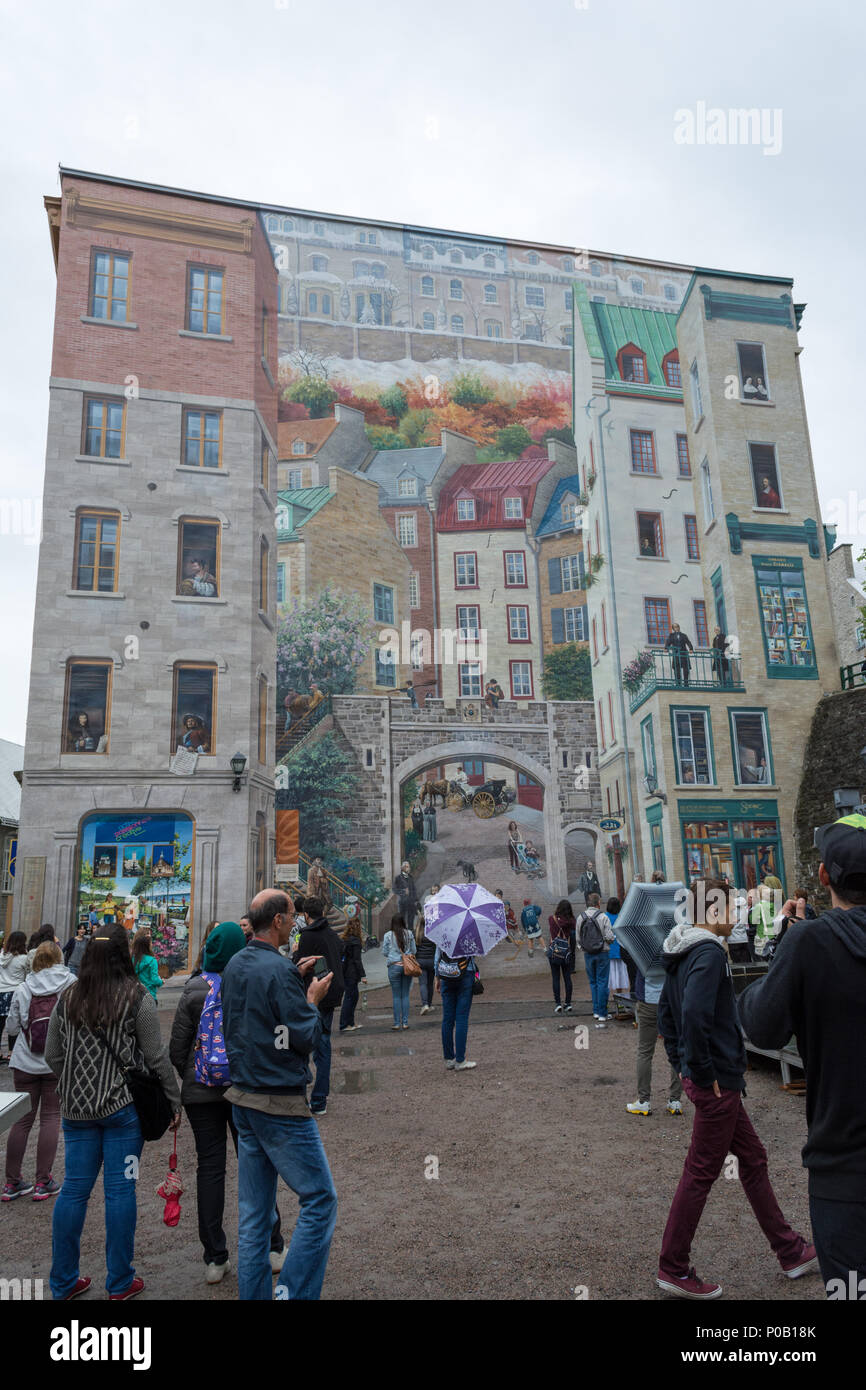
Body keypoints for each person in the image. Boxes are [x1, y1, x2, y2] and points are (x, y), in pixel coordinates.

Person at [655, 877, 816, 1300]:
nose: (736, 916)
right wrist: (705, 1071)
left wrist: (683, 1064)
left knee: (753, 1158)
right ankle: (673, 1266)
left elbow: (665, 1013)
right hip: (719, 1084)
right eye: (730, 909)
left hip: (712, 1080)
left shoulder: (680, 947)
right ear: (714, 912)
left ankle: (791, 1250)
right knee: (701, 1171)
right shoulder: (708, 952)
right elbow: (690, 1014)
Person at [738, 815, 866, 1297]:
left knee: (853, 1292)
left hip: (843, 1164)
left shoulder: (810, 942)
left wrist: (787, 949)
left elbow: (761, 1026)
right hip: (842, 1162)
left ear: (825, 877)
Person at [45, 924, 182, 1301]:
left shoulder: (68, 996)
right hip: (123, 1110)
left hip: (75, 1111)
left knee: (73, 1190)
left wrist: (73, 1081)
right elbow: (156, 1058)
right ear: (125, 954)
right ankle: (120, 1283)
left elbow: (52, 1055)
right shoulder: (137, 997)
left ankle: (63, 1281)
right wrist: (173, 1101)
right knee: (121, 1192)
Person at [221, 889, 336, 1301]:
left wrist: (293, 977)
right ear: (279, 922)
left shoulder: (235, 964)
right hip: (278, 1101)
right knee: (321, 1200)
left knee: (254, 1217)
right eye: (292, 916)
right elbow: (303, 1037)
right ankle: (292, 1292)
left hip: (243, 1096)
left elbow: (257, 1018)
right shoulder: (279, 971)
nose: (297, 922)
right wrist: (310, 998)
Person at [170, 920, 285, 1284]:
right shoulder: (247, 983)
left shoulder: (192, 989)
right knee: (256, 1164)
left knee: (210, 1168)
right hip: (243, 1087)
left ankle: (215, 1258)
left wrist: (196, 1072)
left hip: (200, 1092)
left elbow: (176, 1048)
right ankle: (273, 1244)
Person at [3, 942, 75, 1203]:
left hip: (25, 1059)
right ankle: (43, 1181)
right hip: (56, 1061)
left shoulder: (24, 988)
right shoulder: (70, 983)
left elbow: (12, 1027)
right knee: (51, 1118)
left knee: (21, 1120)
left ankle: (12, 1183)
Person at [292, 897, 345, 1117]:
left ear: (306, 915)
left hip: (314, 994)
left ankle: (304, 1095)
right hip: (331, 992)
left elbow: (300, 965)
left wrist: (296, 951)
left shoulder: (307, 936)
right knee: (323, 1046)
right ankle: (320, 1098)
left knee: (304, 1044)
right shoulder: (332, 935)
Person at [626, 963, 683, 1118]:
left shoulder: (642, 944)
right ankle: (675, 1100)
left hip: (648, 1000)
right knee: (677, 1049)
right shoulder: (673, 941)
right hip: (671, 998)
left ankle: (644, 1101)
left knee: (645, 1051)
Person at [435, 944, 477, 1071]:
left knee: (447, 1018)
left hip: (446, 973)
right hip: (465, 973)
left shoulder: (443, 928)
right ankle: (460, 1060)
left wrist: (437, 976)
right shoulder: (469, 931)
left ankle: (449, 1059)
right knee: (462, 1018)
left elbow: (437, 955)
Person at [576, 894, 615, 1026]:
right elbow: (610, 937)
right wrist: (611, 940)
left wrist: (584, 948)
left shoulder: (580, 917)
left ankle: (596, 1011)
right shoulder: (603, 917)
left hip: (588, 954)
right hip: (602, 952)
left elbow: (578, 939)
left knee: (593, 983)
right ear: (598, 903)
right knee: (602, 982)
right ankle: (603, 1014)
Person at [0, 931, 31, 1061]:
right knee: (14, 1023)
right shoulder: (24, 958)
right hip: (15, 992)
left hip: (1, 991)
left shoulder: (2, 955)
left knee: (0, 1023)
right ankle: (12, 1052)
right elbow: (28, 975)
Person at [381, 915, 416, 1030]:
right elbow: (414, 950)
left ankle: (396, 1023)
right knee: (405, 995)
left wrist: (392, 954)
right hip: (407, 967)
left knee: (396, 996)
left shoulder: (388, 935)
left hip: (394, 967)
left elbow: (385, 952)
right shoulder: (409, 934)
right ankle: (405, 1022)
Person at [547, 900, 576, 1014]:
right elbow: (575, 926)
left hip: (554, 952)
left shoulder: (551, 919)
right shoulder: (571, 921)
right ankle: (568, 1003)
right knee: (567, 978)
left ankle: (558, 1003)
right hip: (566, 953)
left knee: (555, 978)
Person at [338, 918, 367, 1032]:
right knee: (351, 998)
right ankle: (345, 1024)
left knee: (351, 997)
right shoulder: (356, 942)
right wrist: (363, 975)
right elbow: (357, 960)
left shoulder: (344, 939)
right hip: (352, 973)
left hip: (345, 971)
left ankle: (350, 1022)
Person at [414, 911, 437, 1017]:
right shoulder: (433, 933)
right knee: (430, 984)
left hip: (420, 961)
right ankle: (430, 1004)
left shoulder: (417, 933)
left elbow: (414, 949)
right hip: (432, 961)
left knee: (422, 984)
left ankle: (425, 1005)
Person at [131, 928, 163, 1001]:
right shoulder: (152, 960)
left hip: (134, 995)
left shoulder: (131, 958)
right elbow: (155, 980)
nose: (149, 938)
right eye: (147, 936)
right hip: (149, 995)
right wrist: (161, 981)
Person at [606, 897, 629, 994]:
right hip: (620, 950)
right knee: (620, 976)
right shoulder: (621, 917)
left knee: (607, 977)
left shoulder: (604, 917)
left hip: (608, 950)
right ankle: (620, 997)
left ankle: (606, 1000)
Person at [393, 861, 419, 929]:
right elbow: (394, 890)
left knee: (411, 920)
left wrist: (416, 900)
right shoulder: (398, 878)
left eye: (409, 867)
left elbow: (414, 889)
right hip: (403, 902)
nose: (409, 868)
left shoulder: (411, 877)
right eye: (407, 867)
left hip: (411, 902)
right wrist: (403, 891)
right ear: (403, 868)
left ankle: (410, 933)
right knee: (402, 920)